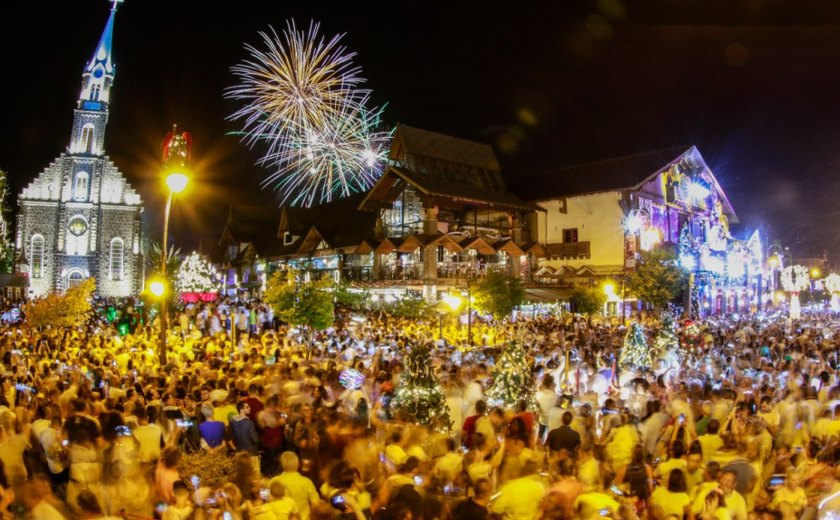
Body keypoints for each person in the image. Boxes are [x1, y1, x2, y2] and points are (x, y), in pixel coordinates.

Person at [272, 451, 319, 520]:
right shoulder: (307, 482)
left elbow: (267, 500)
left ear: (282, 465)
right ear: (298, 464)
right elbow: (316, 504)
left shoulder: (274, 482)